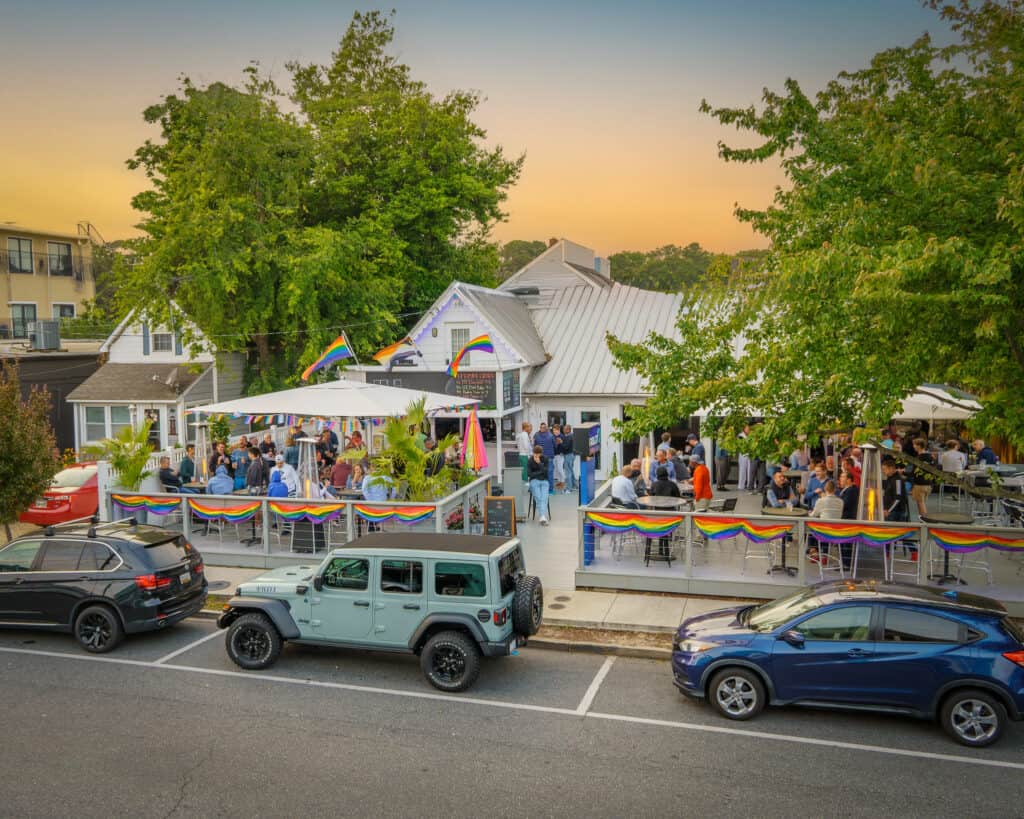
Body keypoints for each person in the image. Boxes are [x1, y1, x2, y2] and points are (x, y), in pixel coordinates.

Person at [908, 437, 934, 517]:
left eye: (914, 444)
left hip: (920, 484)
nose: (913, 446)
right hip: (928, 483)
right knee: (921, 502)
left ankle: (925, 521)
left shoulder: (919, 458)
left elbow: (914, 472)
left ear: (919, 446)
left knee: (920, 503)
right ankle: (922, 520)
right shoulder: (930, 456)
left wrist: (904, 473)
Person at [526, 445, 550, 525]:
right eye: (534, 454)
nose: (536, 456)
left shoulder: (545, 459)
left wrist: (539, 463)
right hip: (534, 481)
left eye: (538, 454)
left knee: (544, 497)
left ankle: (542, 516)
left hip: (544, 481)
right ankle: (542, 516)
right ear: (533, 453)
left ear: (541, 454)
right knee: (538, 496)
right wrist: (540, 472)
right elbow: (529, 474)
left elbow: (546, 472)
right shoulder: (530, 460)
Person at [882, 456, 909, 521]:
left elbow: (897, 498)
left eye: (884, 469)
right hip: (891, 511)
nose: (883, 471)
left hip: (896, 513)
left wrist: (888, 510)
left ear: (891, 469)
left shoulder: (897, 480)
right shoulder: (890, 478)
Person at [533, 422, 556, 494]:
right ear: (546, 428)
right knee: (550, 474)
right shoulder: (551, 435)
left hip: (540, 458)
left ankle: (541, 489)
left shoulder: (536, 435)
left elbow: (535, 446)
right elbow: (555, 446)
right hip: (549, 457)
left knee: (539, 473)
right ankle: (550, 490)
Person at [561, 424, 577, 494]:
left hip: (568, 455)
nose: (563, 430)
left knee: (568, 472)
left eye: (564, 429)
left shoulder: (568, 437)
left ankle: (568, 489)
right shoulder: (572, 435)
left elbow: (566, 447)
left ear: (568, 430)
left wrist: (561, 442)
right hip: (572, 454)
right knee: (571, 470)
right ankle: (574, 486)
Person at [737, 425, 752, 491]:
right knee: (742, 470)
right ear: (744, 429)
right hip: (743, 455)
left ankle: (750, 485)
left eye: (749, 428)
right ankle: (741, 485)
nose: (748, 429)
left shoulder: (752, 435)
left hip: (751, 454)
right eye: (747, 428)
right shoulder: (740, 435)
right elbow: (741, 445)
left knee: (750, 470)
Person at [551, 424, 566, 491]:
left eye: (555, 431)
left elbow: (565, 446)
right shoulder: (552, 436)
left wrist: (561, 442)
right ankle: (559, 481)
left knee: (560, 468)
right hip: (554, 455)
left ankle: (563, 481)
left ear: (558, 430)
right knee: (557, 469)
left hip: (560, 455)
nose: (554, 432)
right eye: (553, 431)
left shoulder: (562, 436)